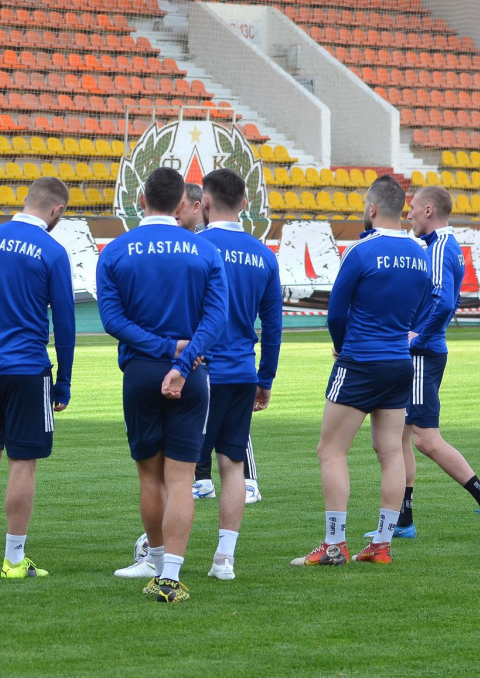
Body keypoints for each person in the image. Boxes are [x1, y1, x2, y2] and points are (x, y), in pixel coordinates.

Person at [97, 167, 228, 603]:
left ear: (141, 197)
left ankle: (153, 561)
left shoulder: (115, 251)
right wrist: (184, 357)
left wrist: (163, 348)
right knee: (181, 478)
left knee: (149, 478)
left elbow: (112, 321)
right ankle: (169, 576)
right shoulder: (203, 251)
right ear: (180, 204)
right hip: (191, 375)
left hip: (139, 372)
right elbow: (216, 319)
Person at [291, 175, 430, 567]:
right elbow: (422, 306)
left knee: (331, 450)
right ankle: (382, 545)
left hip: (360, 361)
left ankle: (334, 545)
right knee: (390, 452)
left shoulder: (361, 251)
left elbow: (336, 310)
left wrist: (340, 343)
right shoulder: (420, 253)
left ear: (372, 209)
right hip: (399, 362)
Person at [366, 186, 480, 542]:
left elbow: (444, 302)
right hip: (422, 351)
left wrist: (419, 337)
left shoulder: (441, 247)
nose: (408, 213)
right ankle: (404, 520)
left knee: (425, 439)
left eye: (413, 208)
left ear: (429, 210)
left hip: (423, 354)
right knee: (396, 436)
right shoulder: (438, 246)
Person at [0, 177, 75, 579]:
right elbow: (64, 322)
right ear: (56, 210)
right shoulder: (52, 250)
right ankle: (13, 560)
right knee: (22, 463)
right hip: (29, 369)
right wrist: (64, 379)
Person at [194, 168, 282, 580]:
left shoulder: (193, 247)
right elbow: (274, 325)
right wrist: (265, 379)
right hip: (242, 373)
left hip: (200, 372)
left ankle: (156, 552)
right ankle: (223, 559)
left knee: (176, 466)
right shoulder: (263, 254)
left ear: (205, 203)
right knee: (233, 465)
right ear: (245, 203)